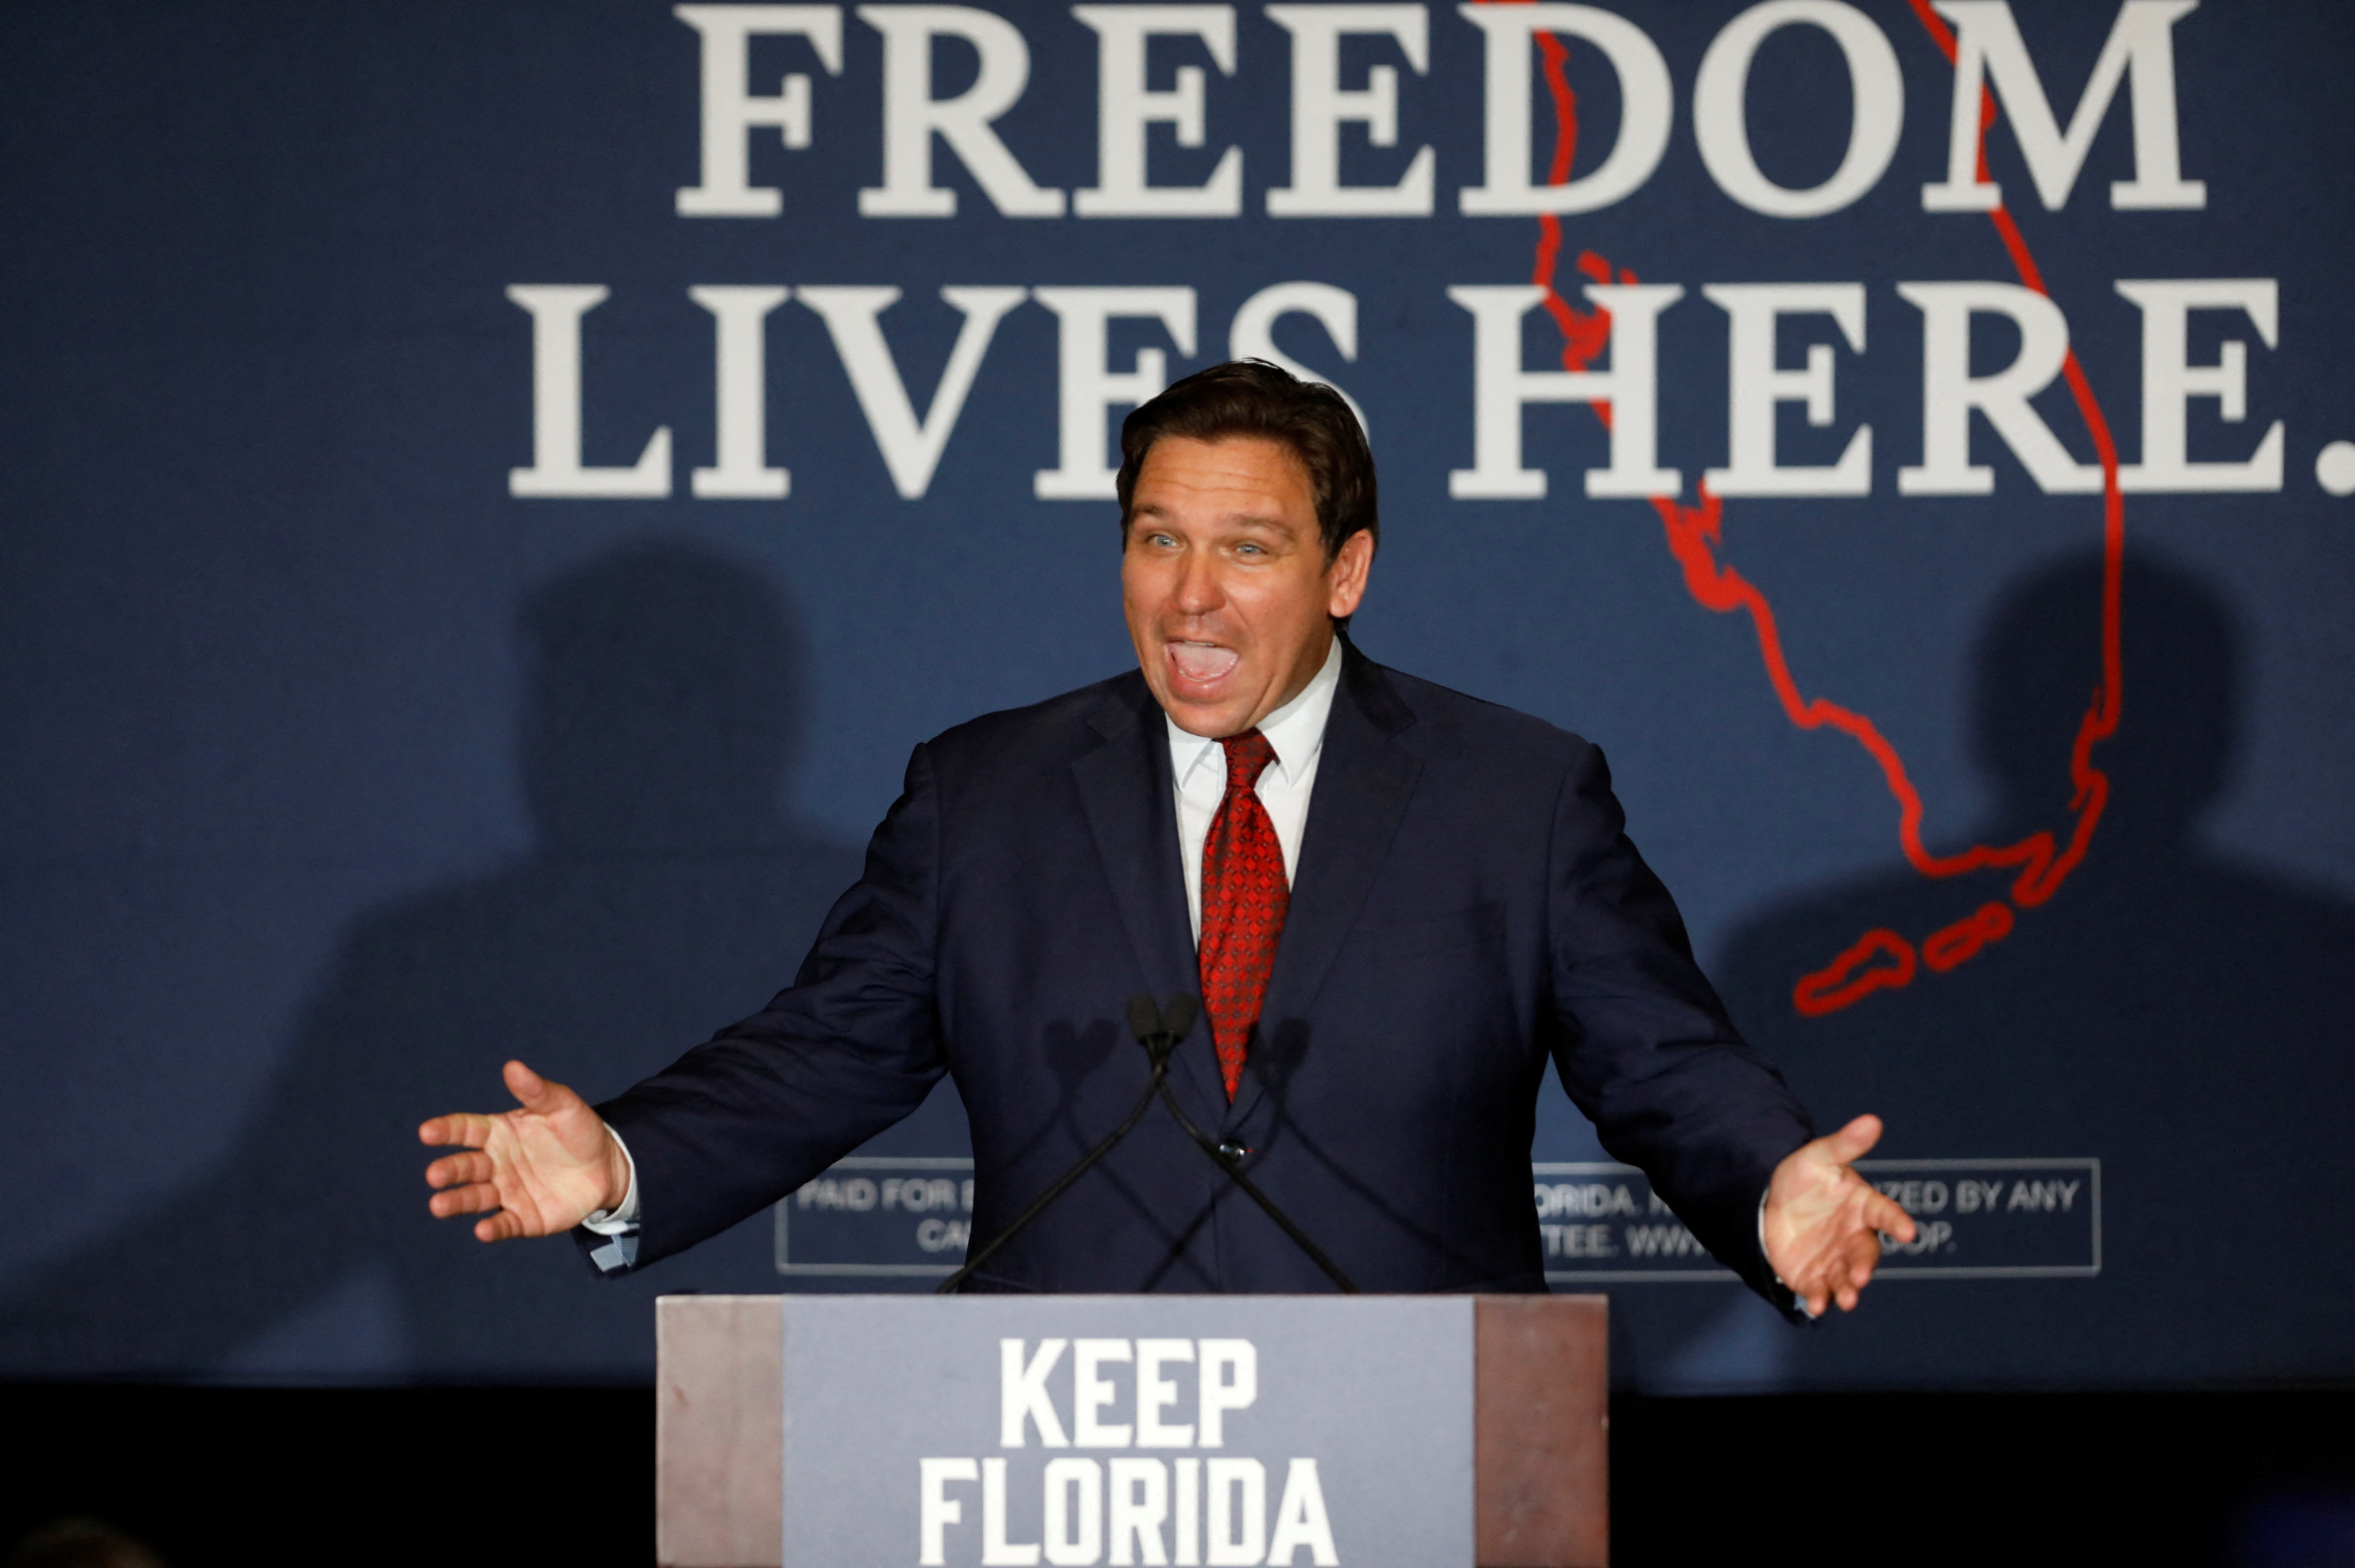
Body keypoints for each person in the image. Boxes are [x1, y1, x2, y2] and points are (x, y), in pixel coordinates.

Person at [420, 361, 1911, 1318]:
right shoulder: (983, 794)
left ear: (1346, 572)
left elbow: (1661, 1062)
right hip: (1064, 1466)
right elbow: (824, 1050)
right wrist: (627, 1158)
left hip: (1409, 1462)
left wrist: (1768, 1176)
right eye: (1157, 538)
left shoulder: (1517, 796)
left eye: (1248, 548)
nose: (1190, 597)